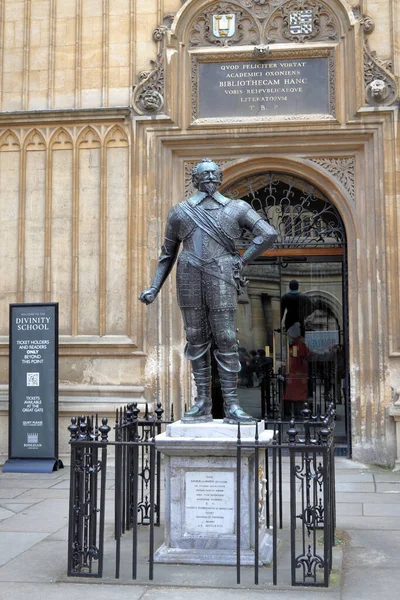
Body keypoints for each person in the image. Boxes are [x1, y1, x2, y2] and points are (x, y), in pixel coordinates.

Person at [139, 158, 277, 424]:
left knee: (225, 336)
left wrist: (242, 259)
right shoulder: (180, 211)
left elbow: (267, 233)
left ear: (221, 177)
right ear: (195, 179)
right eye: (204, 174)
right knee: (195, 336)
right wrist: (154, 287)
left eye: (215, 173)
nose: (210, 177)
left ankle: (232, 405)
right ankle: (202, 401)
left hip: (222, 272)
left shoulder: (237, 208)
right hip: (189, 272)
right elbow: (167, 254)